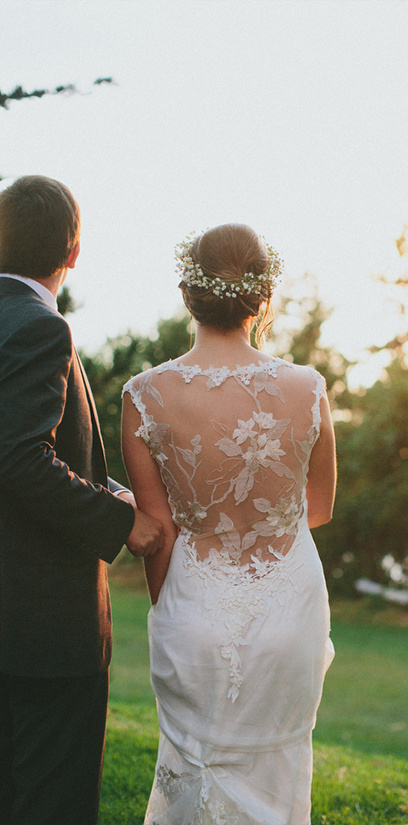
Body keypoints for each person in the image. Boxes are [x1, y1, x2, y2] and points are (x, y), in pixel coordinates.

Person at [122, 223, 337, 825]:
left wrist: (172, 609)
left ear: (189, 295)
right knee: (279, 767)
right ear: (262, 298)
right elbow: (316, 509)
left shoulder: (144, 394)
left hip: (195, 606)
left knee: (194, 770)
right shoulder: (308, 387)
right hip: (289, 605)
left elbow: (156, 532)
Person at [0, 175, 164, 825]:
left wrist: (104, 483)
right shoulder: (41, 327)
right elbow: (18, 457)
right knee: (50, 804)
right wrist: (121, 519)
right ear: (73, 253)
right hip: (40, 628)